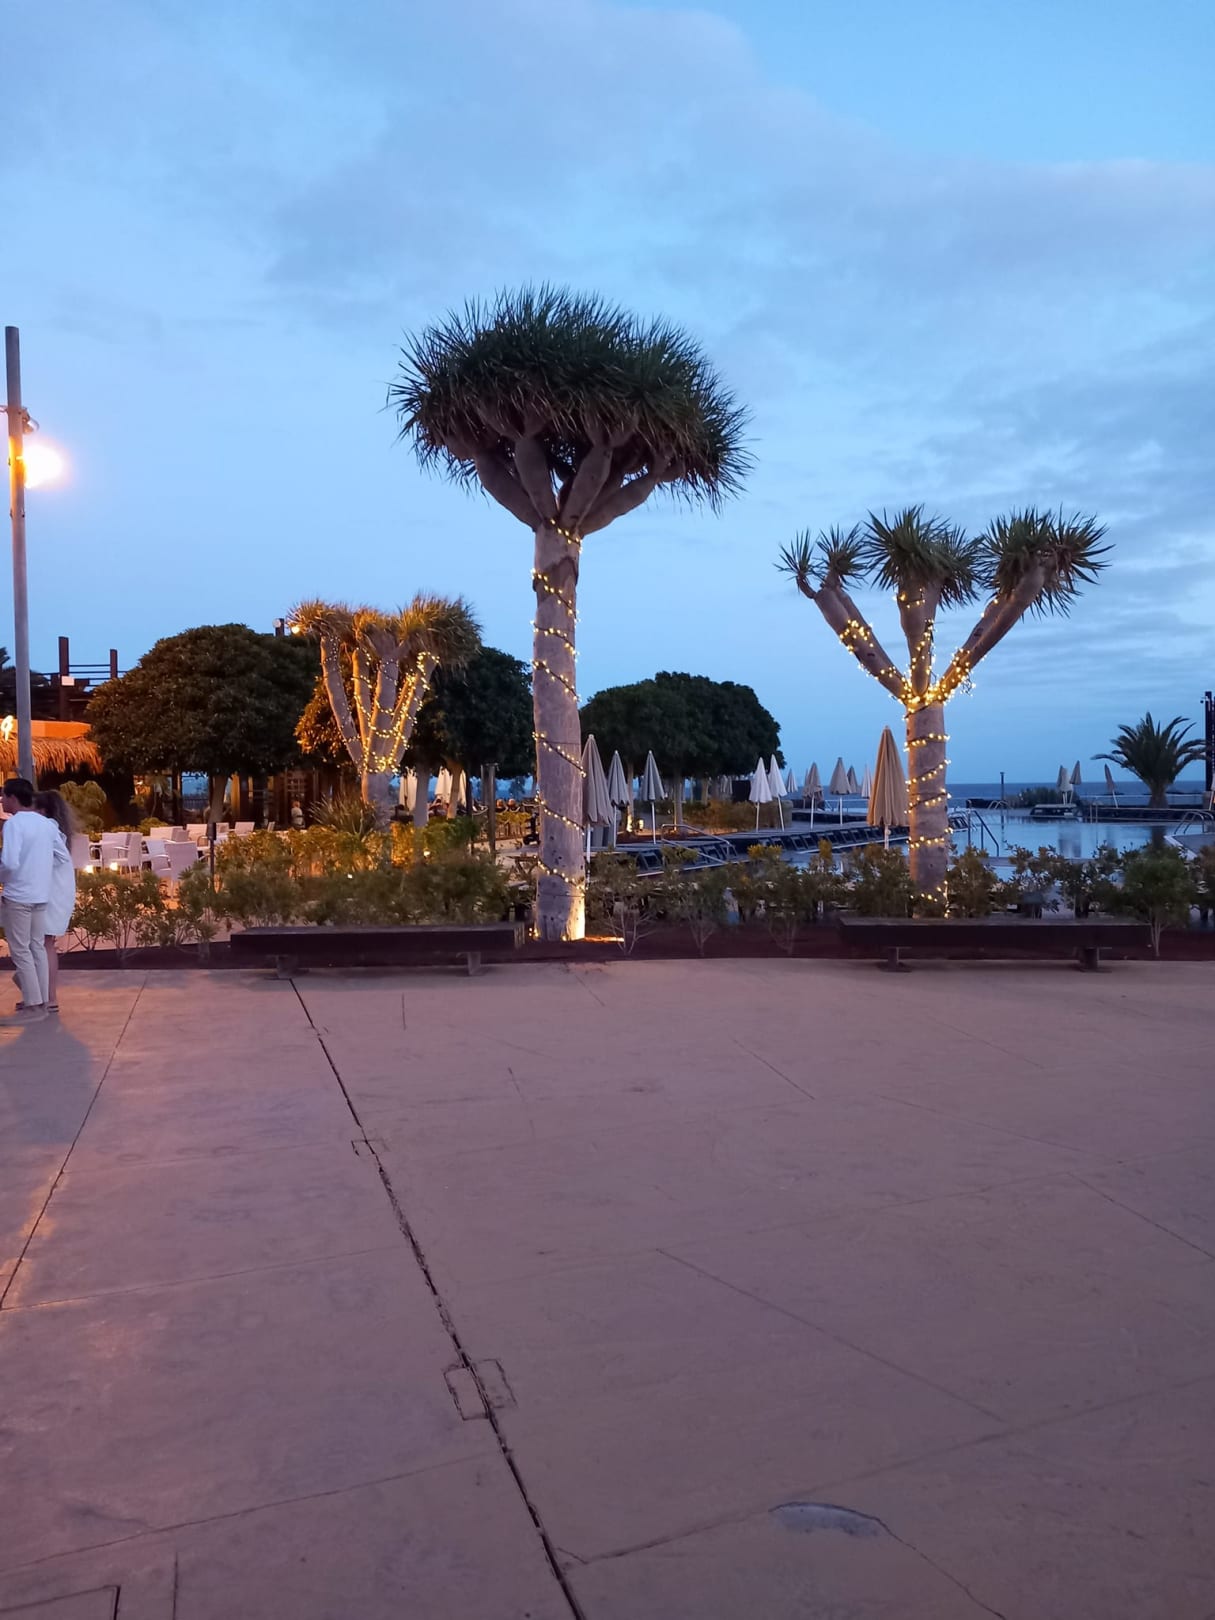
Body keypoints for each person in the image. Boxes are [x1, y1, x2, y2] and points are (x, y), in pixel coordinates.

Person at [0, 777, 71, 1026]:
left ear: (12, 798)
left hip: (19, 895)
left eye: (3, 796)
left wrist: (6, 876)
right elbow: (62, 856)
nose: (1, 801)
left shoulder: (14, 825)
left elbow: (9, 862)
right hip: (40, 895)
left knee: (21, 951)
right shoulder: (46, 825)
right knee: (37, 948)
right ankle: (43, 1003)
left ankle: (33, 1005)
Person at [33, 790, 78, 1013]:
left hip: (49, 894)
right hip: (54, 893)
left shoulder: (47, 831)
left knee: (44, 943)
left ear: (42, 811)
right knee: (44, 943)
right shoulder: (56, 831)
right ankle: (42, 995)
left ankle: (48, 997)